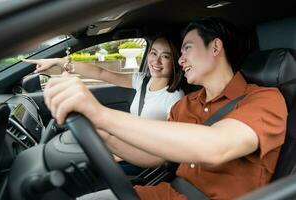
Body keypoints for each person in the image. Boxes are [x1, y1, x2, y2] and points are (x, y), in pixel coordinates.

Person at [42, 17, 287, 200]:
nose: (181, 59)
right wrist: (101, 133)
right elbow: (155, 158)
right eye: (179, 52)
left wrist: (101, 114)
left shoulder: (264, 99)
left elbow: (215, 146)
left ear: (215, 47)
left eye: (187, 48)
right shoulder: (185, 104)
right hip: (168, 193)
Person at [24, 35, 185, 121]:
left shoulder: (175, 97)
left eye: (165, 56)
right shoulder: (142, 80)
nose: (156, 61)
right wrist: (59, 62)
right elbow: (101, 73)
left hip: (145, 162)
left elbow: (169, 144)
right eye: (153, 53)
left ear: (176, 61)